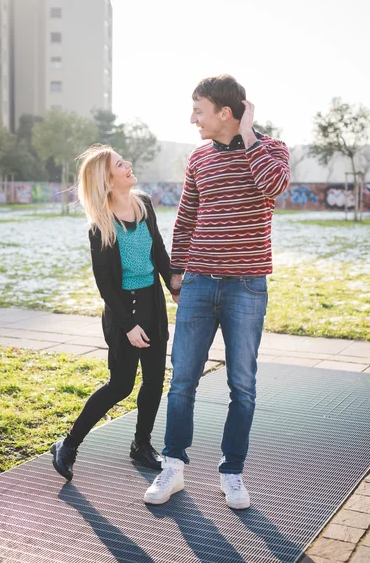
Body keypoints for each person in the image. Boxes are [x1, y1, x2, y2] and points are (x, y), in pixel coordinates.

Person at [144, 74, 290, 508]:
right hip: (199, 283)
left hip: (247, 287)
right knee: (182, 380)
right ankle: (173, 467)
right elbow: (186, 216)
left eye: (199, 111)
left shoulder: (272, 150)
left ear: (226, 113)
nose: (193, 120)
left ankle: (232, 473)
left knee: (242, 385)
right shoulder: (199, 158)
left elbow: (274, 187)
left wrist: (248, 135)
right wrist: (176, 272)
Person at [50, 144, 178, 481]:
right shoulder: (100, 225)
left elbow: (159, 250)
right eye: (121, 164)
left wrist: (173, 287)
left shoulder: (144, 203)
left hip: (152, 304)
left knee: (153, 381)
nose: (129, 165)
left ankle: (141, 444)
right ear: (107, 180)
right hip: (124, 311)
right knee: (120, 386)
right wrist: (129, 327)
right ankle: (69, 444)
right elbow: (105, 285)